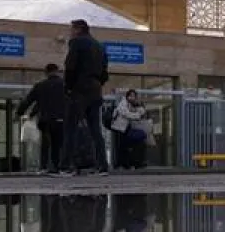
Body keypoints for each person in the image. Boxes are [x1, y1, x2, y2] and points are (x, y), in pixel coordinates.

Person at [61, 19, 110, 175]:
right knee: (96, 130)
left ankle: (66, 166)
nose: (70, 32)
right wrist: (97, 83)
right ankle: (102, 166)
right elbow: (104, 72)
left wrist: (68, 86)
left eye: (72, 29)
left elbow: (70, 66)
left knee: (71, 128)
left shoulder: (76, 43)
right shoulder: (99, 46)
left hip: (79, 89)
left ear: (78, 29)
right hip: (95, 89)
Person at [15, 64, 66, 174]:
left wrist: (19, 113)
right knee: (58, 144)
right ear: (58, 71)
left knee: (46, 142)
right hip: (61, 119)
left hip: (45, 120)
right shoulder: (64, 85)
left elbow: (29, 101)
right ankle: (58, 166)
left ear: (46, 73)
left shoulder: (40, 86)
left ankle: (44, 166)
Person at [110, 89, 150, 170]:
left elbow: (142, 112)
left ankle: (127, 164)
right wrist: (137, 115)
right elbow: (125, 113)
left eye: (134, 96)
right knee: (120, 147)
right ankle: (119, 164)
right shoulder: (123, 102)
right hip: (119, 128)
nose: (132, 98)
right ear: (127, 96)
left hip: (126, 128)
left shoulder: (132, 104)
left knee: (126, 146)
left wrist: (138, 106)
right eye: (130, 96)